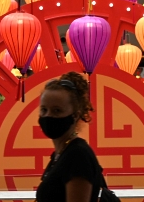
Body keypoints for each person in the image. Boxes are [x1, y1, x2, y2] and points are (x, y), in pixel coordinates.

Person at [36, 72, 102, 202]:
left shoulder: (77, 156)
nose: (48, 116)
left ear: (75, 115)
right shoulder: (61, 154)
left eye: (57, 111)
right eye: (44, 110)